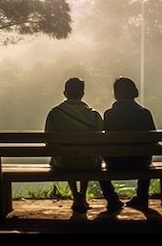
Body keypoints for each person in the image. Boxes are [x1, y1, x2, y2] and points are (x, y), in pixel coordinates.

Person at [44, 77, 103, 213]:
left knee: (67, 156)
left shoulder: (55, 113)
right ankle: (82, 194)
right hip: (89, 162)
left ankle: (76, 195)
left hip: (64, 163)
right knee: (87, 154)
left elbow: (48, 139)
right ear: (82, 94)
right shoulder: (93, 115)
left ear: (65, 93)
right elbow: (99, 142)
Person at [99, 77, 155, 212]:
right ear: (134, 92)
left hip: (114, 162)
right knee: (146, 155)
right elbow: (153, 140)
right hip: (140, 162)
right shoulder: (144, 113)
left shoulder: (109, 114)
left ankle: (112, 199)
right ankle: (142, 197)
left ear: (116, 94)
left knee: (97, 163)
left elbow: (103, 142)